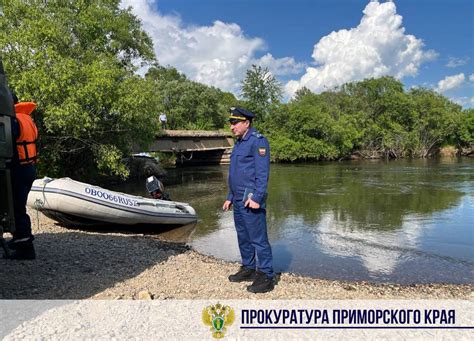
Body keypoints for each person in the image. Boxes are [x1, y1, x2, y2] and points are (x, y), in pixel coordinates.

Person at [222, 107, 275, 293]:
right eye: (231, 123)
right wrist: (229, 197)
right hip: (237, 200)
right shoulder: (239, 143)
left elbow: (262, 174)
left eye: (235, 123)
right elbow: (235, 174)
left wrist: (257, 198)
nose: (231, 127)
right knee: (243, 236)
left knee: (258, 239)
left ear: (247, 123)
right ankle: (249, 268)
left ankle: (267, 275)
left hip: (250, 200)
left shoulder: (258, 142)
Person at [5, 92, 38, 260]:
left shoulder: (13, 120)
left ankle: (26, 248)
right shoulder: (26, 118)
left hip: (19, 169)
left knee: (17, 208)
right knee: (18, 206)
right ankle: (19, 239)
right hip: (29, 168)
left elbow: (7, 142)